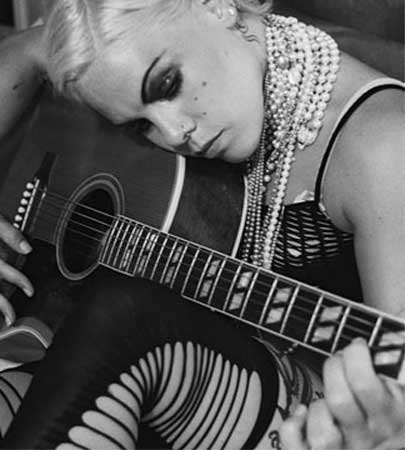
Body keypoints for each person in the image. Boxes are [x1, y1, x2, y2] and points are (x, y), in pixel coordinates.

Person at [0, 0, 404, 448]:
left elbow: (396, 396)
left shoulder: (384, 144)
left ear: (215, 6)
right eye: (140, 127)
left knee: (124, 311)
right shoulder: (124, 50)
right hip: (184, 373)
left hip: (326, 408)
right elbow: (28, 49)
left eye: (167, 83)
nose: (174, 133)